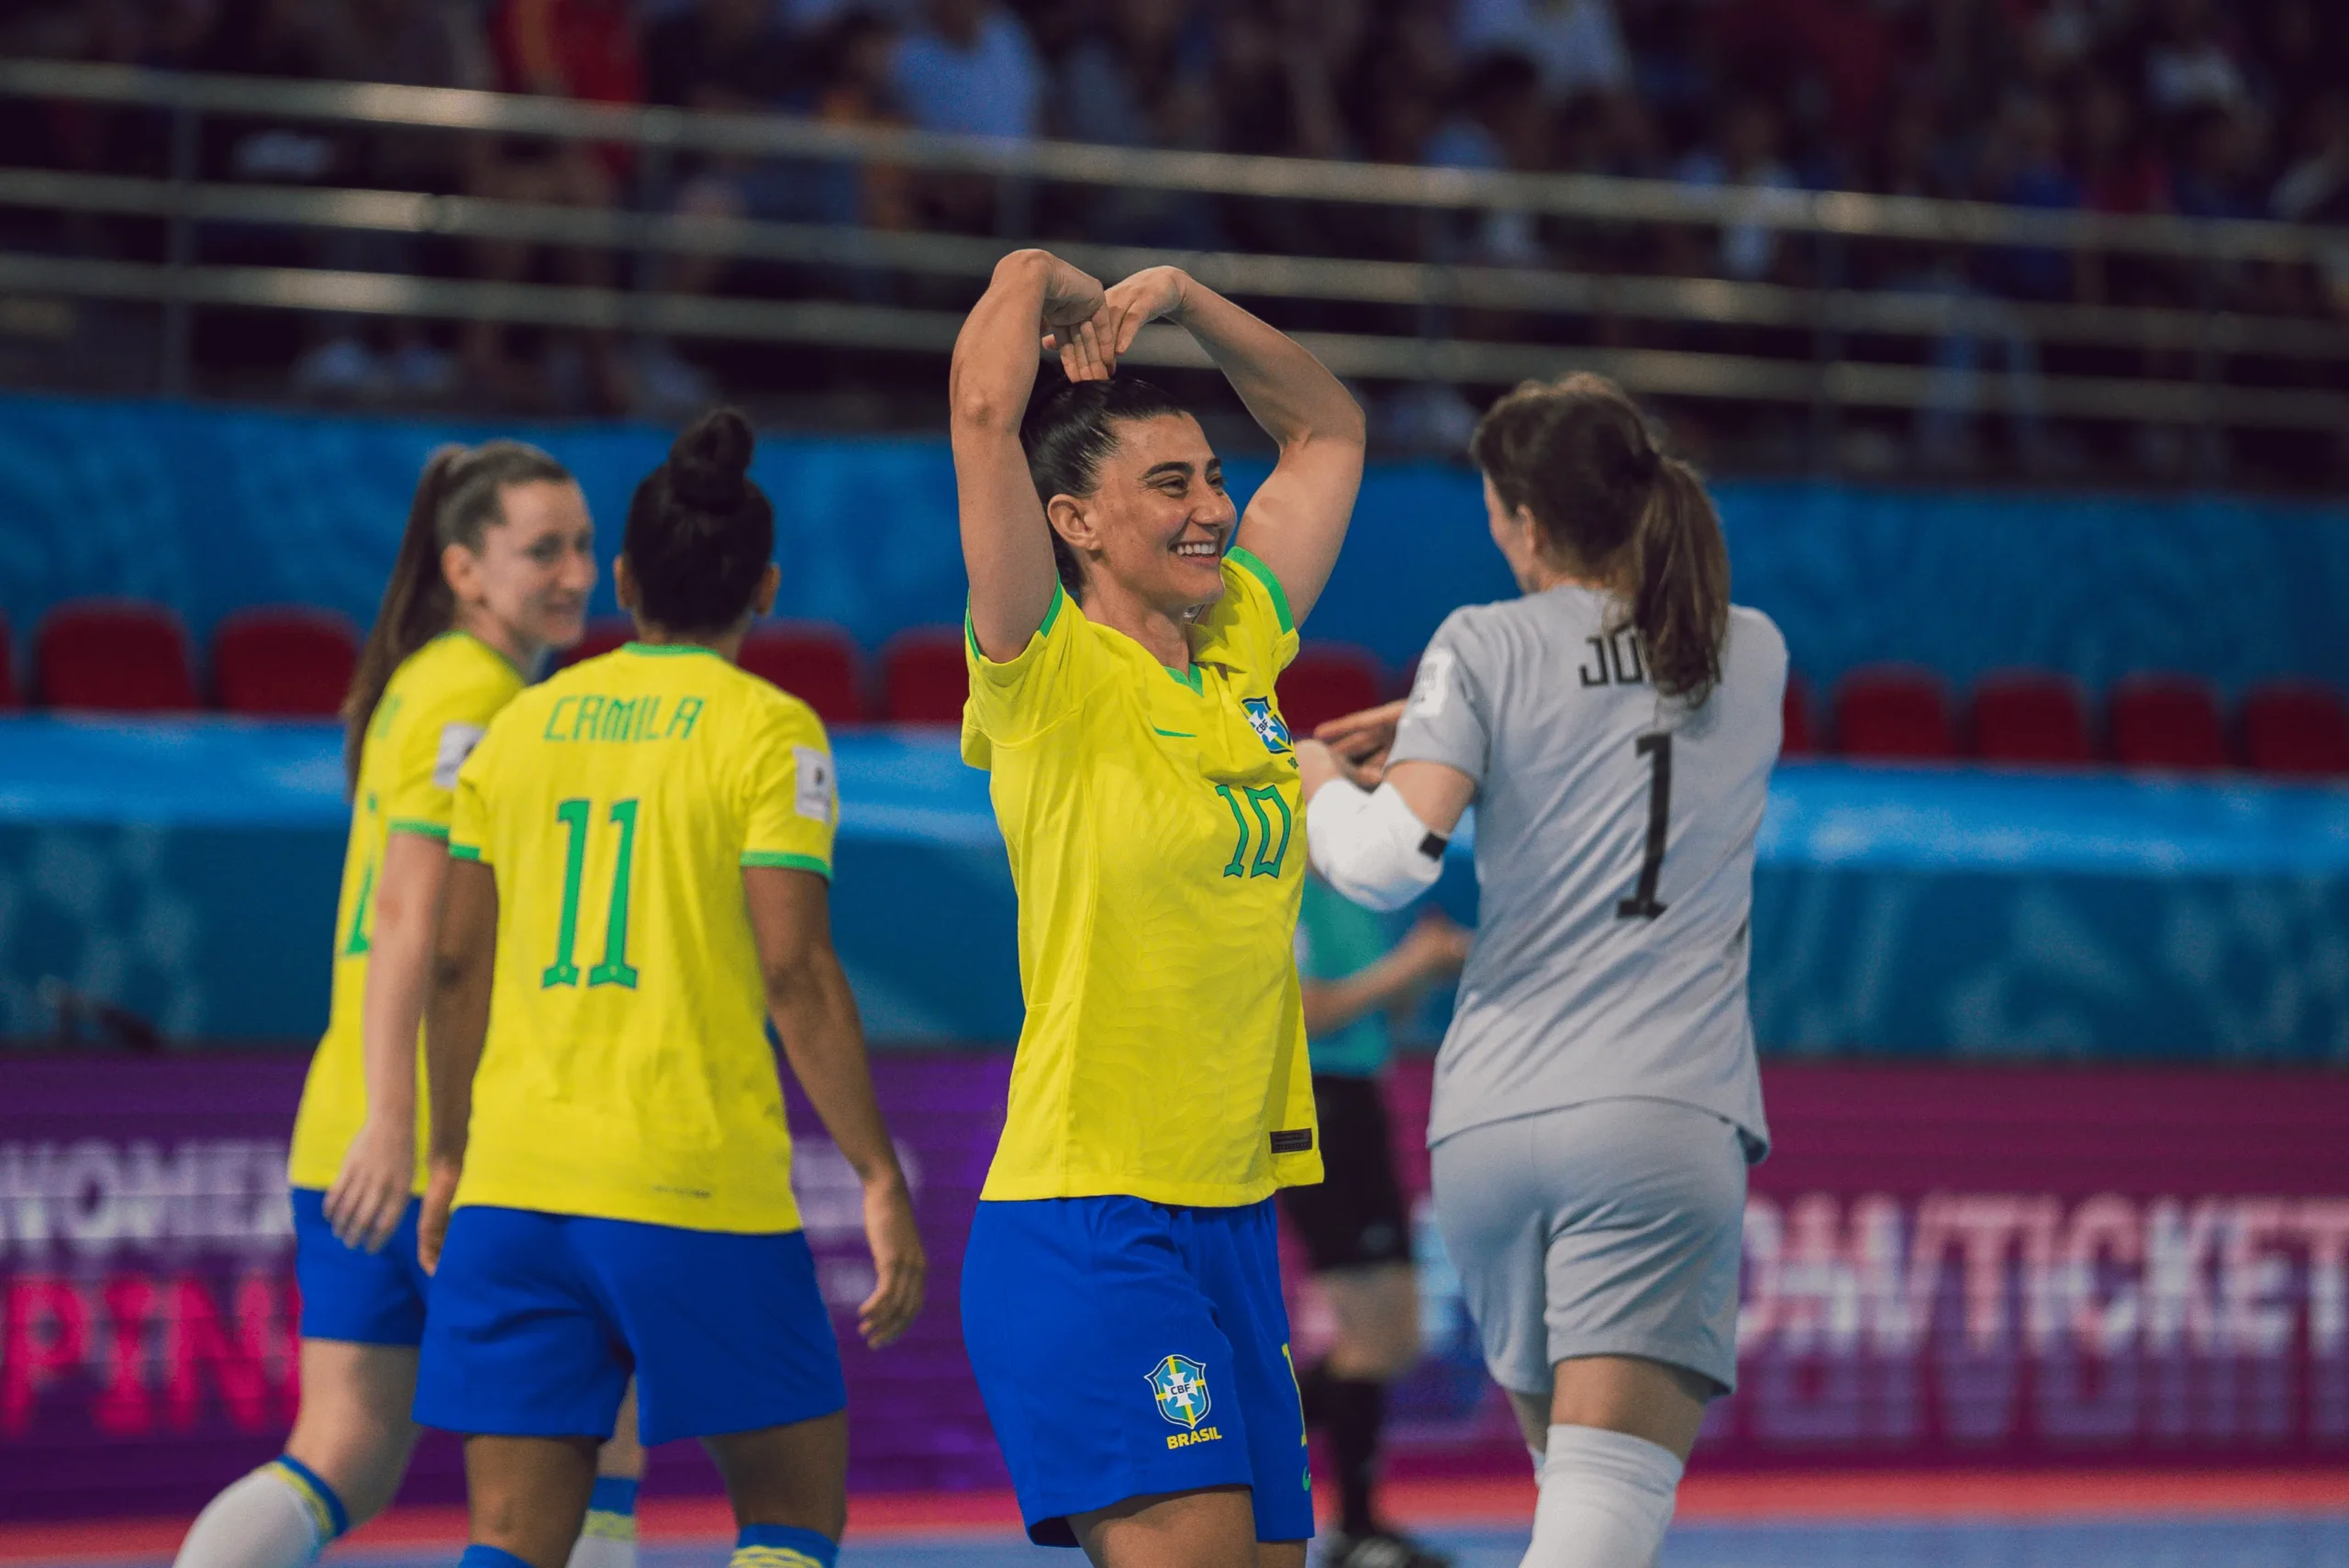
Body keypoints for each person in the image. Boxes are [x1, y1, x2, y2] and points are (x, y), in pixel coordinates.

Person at [414, 409, 926, 1568]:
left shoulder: (516, 727)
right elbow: (794, 971)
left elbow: (453, 966)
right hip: (692, 1182)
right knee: (793, 1517)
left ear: (627, 578)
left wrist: (447, 1154)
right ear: (768, 586)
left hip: (515, 1187)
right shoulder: (768, 730)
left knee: (508, 1537)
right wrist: (877, 1171)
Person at [1298, 373, 1783, 1568]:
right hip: (1657, 1118)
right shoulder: (1751, 648)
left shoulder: (1484, 646)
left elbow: (1377, 861)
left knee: (1572, 1502)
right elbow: (1639, 700)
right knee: (1599, 1519)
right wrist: (1456, 715)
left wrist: (1310, 767)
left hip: (1490, 1128)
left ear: (1520, 519)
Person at [950, 250, 1364, 1566]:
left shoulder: (1242, 633)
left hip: (1233, 1216)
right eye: (1170, 484)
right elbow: (978, 414)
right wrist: (1033, 277)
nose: (1212, 508)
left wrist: (1182, 299)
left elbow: (1328, 427)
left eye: (1214, 478)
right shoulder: (1043, 670)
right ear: (1074, 521)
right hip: (1092, 1222)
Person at [173, 443, 647, 1568]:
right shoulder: (473, 698)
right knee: (592, 1435)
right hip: (439, 1141)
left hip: (343, 1127)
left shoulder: (428, 684)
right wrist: (403, 1121)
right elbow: (410, 920)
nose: (576, 570)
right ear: (464, 570)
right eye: (542, 549)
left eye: (582, 543)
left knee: (348, 1450)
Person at [1280, 884, 1469, 1568]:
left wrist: (1431, 964)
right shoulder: (1285, 873)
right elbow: (1300, 1010)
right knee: (1370, 1335)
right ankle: (1353, 1525)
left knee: (1394, 1338)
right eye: (1361, 764)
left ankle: (1239, 1448)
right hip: (1312, 1106)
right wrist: (1411, 963)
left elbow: (1387, 1002)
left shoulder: (1360, 885)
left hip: (1359, 1103)